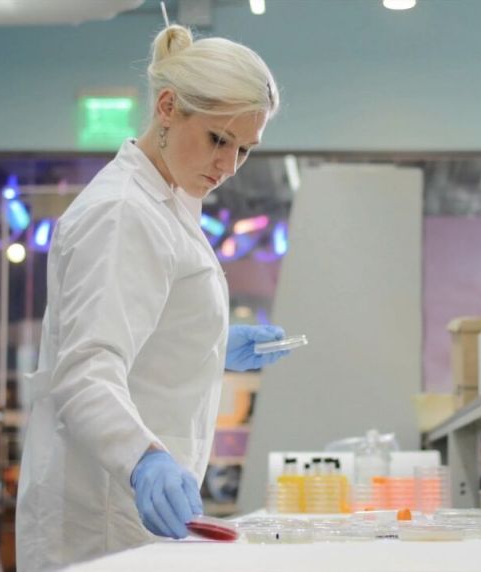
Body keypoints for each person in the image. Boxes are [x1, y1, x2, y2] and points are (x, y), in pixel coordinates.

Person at [16, 24, 287, 571]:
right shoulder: (124, 212)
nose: (229, 166)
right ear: (167, 107)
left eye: (245, 149)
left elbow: (137, 329)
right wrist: (144, 460)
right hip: (102, 514)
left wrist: (207, 342)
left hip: (128, 517)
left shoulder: (166, 203)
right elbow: (86, 372)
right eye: (219, 140)